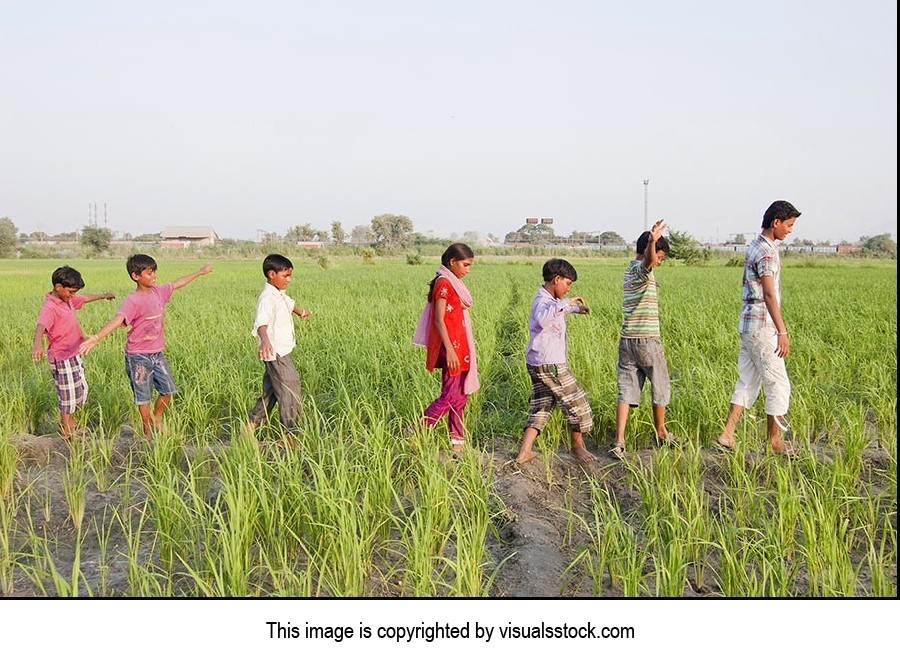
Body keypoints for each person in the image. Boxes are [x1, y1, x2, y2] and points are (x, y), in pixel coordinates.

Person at [80, 254, 212, 436]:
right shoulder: (132, 300)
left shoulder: (159, 292)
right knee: (143, 396)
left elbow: (177, 283)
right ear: (136, 276)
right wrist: (97, 337)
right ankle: (147, 429)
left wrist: (200, 272)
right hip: (138, 356)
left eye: (154, 272)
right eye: (149, 273)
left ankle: (156, 418)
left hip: (157, 353)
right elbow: (119, 319)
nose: (154, 276)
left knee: (168, 390)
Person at [717, 200, 801, 455]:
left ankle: (727, 434)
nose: (789, 230)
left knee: (748, 381)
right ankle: (774, 442)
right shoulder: (767, 252)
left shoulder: (755, 246)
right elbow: (768, 294)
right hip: (763, 326)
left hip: (748, 325)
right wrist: (782, 331)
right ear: (776, 222)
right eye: (788, 225)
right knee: (777, 383)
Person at [516, 258, 594, 464]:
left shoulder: (550, 301)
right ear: (556, 279)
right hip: (549, 364)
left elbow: (555, 312)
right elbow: (544, 318)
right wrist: (567, 303)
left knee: (542, 406)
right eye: (567, 284)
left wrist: (576, 309)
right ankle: (577, 447)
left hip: (538, 362)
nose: (568, 289)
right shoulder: (542, 301)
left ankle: (525, 451)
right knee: (578, 402)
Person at [611, 219, 677, 458]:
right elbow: (647, 263)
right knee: (660, 385)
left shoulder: (629, 270)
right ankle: (661, 432)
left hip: (627, 340)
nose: (659, 261)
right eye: (660, 256)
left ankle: (619, 440)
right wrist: (653, 240)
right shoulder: (642, 268)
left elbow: (644, 272)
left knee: (626, 389)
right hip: (647, 340)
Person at [31, 266, 115, 438]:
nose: (73, 295)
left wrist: (103, 295)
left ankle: (70, 422)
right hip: (61, 357)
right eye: (71, 291)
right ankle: (66, 429)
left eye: (75, 292)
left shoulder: (67, 300)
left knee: (79, 390)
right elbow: (41, 326)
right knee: (67, 394)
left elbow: (84, 298)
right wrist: (37, 344)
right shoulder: (50, 307)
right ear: (58, 287)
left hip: (74, 352)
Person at [412, 243, 479, 452]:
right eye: (465, 265)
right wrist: (449, 350)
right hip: (452, 348)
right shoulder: (444, 283)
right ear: (452, 262)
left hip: (461, 347)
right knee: (450, 396)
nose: (468, 270)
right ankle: (416, 431)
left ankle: (457, 442)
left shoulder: (454, 284)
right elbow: (439, 320)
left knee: (460, 397)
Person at [246, 253, 311, 434]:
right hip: (276, 353)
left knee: (272, 393)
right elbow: (261, 322)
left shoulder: (278, 294)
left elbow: (289, 304)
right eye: (285, 276)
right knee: (291, 390)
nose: (289, 280)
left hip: (279, 351)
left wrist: (301, 312)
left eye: (290, 275)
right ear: (271, 274)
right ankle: (291, 436)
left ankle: (249, 428)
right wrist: (265, 342)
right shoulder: (267, 298)